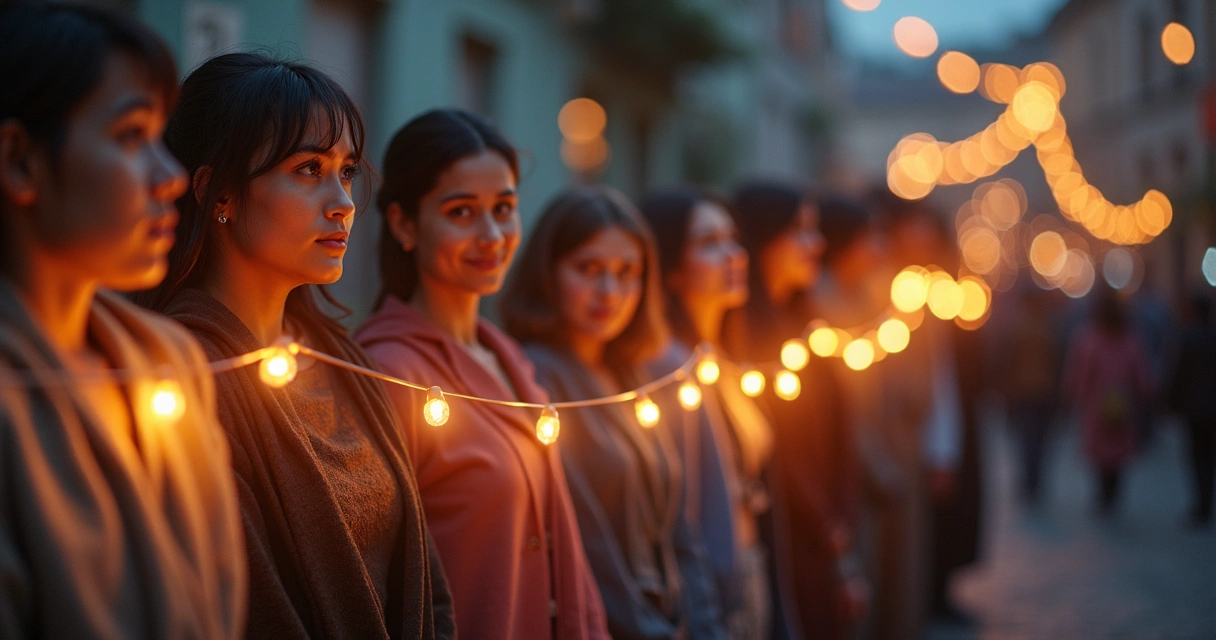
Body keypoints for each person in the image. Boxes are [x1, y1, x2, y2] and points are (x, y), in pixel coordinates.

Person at [136, 53, 454, 639]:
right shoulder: (186, 380)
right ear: (220, 193)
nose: (343, 202)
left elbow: (426, 577)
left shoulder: (340, 356)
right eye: (308, 169)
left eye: (347, 171)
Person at [0, 4, 245, 637]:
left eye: (164, 140)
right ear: (20, 159)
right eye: (131, 136)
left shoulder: (173, 364)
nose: (170, 178)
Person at [354, 109, 608, 640]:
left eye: (505, 209)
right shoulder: (390, 375)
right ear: (403, 223)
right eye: (462, 212)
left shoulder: (510, 359)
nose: (492, 234)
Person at [500, 185, 725, 639]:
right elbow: (587, 545)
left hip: (672, 617)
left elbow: (680, 529)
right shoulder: (536, 378)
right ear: (548, 272)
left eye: (628, 273)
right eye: (589, 269)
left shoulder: (631, 378)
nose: (610, 291)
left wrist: (706, 627)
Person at [721, 183, 867, 640]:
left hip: (826, 535)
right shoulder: (743, 344)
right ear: (762, 241)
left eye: (815, 231)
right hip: (787, 542)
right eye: (799, 232)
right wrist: (830, 535)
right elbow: (785, 456)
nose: (815, 245)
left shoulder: (809, 328)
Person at [639, 188, 775, 639]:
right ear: (671, 268)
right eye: (708, 243)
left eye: (733, 239)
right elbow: (685, 517)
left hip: (747, 572)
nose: (733, 255)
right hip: (712, 596)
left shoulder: (719, 361)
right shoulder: (668, 372)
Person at [1063, 285, 1153, 516]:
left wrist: (1076, 396)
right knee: (1118, 454)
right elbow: (1141, 374)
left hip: (1096, 405)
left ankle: (1104, 494)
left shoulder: (1089, 338)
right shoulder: (1131, 339)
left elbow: (1080, 374)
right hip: (1123, 404)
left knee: (1101, 454)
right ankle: (1113, 494)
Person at [1168, 292, 1216, 526]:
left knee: (1197, 457)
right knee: (1208, 457)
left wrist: (1169, 403)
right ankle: (1206, 502)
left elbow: (1177, 375)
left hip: (1194, 410)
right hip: (1208, 409)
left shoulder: (1187, 338)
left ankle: (1202, 504)